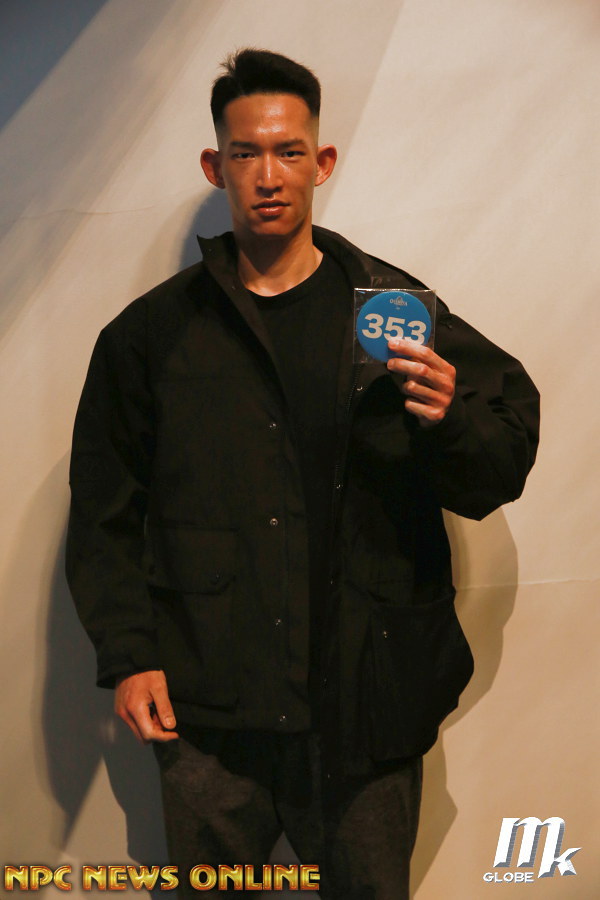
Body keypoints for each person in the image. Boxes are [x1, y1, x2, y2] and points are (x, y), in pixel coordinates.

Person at [66, 48, 540, 898]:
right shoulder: (152, 337)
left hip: (367, 710)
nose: (268, 175)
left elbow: (496, 468)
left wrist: (449, 420)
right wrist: (128, 656)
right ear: (215, 166)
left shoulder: (393, 313)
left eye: (289, 152)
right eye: (245, 153)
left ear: (322, 162)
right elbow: (105, 511)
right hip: (209, 713)